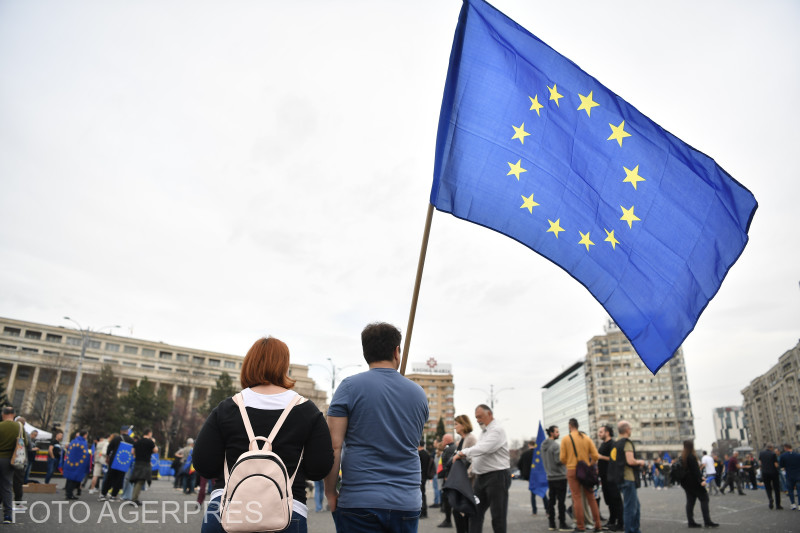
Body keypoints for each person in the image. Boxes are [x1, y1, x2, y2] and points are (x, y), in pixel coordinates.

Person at [195, 336, 334, 533]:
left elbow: (204, 465)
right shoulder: (307, 411)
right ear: (284, 366)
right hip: (287, 512)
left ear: (249, 364)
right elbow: (319, 468)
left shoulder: (226, 408)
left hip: (227, 509)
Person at [324, 322, 428, 532]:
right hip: (406, 501)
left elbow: (334, 446)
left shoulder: (349, 387)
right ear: (396, 351)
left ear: (366, 352)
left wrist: (330, 492)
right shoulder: (419, 394)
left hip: (359, 500)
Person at [454, 404, 511, 533]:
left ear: (489, 414)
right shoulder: (484, 432)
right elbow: (478, 454)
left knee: (498, 517)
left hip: (497, 477)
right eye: (476, 417)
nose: (478, 420)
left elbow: (484, 448)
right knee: (475, 512)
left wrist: (462, 453)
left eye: (480, 417)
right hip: (481, 478)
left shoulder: (497, 430)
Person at [559, 418, 601, 533]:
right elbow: (596, 456)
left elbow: (562, 458)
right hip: (586, 471)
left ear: (569, 426)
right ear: (578, 426)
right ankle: (598, 525)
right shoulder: (586, 438)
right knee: (591, 498)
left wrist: (570, 463)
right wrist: (589, 464)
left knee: (577, 498)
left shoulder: (565, 439)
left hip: (572, 470)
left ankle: (580, 526)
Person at [679, 440, 719, 528]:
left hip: (686, 483)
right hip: (694, 482)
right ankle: (707, 521)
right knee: (704, 499)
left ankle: (691, 522)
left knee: (690, 502)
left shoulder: (682, 457)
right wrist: (701, 480)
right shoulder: (691, 456)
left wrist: (700, 478)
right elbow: (695, 471)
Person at [615, 420, 643, 533]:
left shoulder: (616, 443)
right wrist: (640, 462)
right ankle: (630, 530)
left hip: (620, 478)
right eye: (630, 429)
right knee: (630, 508)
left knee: (635, 506)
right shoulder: (626, 443)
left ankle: (635, 529)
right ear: (627, 430)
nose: (631, 431)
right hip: (628, 478)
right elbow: (630, 461)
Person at [0, 406, 27, 524]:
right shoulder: (19, 427)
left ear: (3, 414)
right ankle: (8, 516)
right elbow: (25, 443)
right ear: (14, 414)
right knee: (7, 487)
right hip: (11, 460)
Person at [452, 414, 477, 533]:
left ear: (464, 424)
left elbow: (475, 460)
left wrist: (466, 476)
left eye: (456, 424)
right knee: (458, 512)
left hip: (467, 484)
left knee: (462, 513)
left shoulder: (470, 438)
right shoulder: (462, 440)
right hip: (461, 483)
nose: (454, 427)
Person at [541, 425, 569, 532]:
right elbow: (559, 460)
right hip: (560, 476)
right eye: (557, 432)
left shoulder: (543, 445)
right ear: (552, 433)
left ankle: (551, 523)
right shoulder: (556, 446)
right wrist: (566, 458)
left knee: (551, 501)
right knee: (561, 502)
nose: (559, 433)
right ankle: (562, 523)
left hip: (550, 477)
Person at [597, 424, 623, 531]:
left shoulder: (613, 444)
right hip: (604, 477)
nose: (599, 434)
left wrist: (600, 457)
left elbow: (614, 459)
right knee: (609, 500)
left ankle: (621, 523)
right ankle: (612, 520)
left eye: (601, 432)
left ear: (607, 432)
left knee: (616, 500)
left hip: (611, 476)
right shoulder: (603, 444)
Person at [98, 428, 134, 501]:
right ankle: (113, 496)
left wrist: (108, 456)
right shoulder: (131, 440)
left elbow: (109, 448)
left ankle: (103, 494)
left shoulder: (116, 438)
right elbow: (133, 451)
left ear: (121, 431)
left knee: (109, 477)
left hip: (114, 460)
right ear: (127, 431)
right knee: (119, 478)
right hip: (124, 462)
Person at [518, 439, 549, 516]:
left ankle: (534, 511)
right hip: (539, 475)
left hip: (530, 476)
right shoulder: (538, 454)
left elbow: (519, 464)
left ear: (529, 445)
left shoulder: (525, 454)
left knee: (533, 493)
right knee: (542, 492)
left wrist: (524, 472)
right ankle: (547, 510)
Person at [130, 428, 157, 506]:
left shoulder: (137, 442)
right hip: (145, 463)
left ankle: (134, 498)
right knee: (140, 481)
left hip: (137, 462)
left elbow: (132, 452)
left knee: (136, 480)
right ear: (149, 433)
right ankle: (134, 499)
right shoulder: (150, 442)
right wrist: (154, 443)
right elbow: (155, 450)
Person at [63, 430, 91, 500]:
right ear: (84, 435)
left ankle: (68, 493)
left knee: (69, 479)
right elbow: (85, 454)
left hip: (70, 463)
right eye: (86, 435)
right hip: (78, 465)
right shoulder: (83, 443)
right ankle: (69, 494)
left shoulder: (73, 441)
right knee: (75, 480)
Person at [437, 434, 456, 528]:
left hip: (448, 478)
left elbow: (448, 463)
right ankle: (448, 520)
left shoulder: (449, 449)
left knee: (447, 499)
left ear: (447, 440)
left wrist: (446, 475)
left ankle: (448, 520)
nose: (442, 441)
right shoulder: (453, 447)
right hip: (450, 477)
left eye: (443, 440)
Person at [759, 443, 781, 509]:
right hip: (773, 472)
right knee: (776, 488)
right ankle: (778, 504)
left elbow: (760, 462)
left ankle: (770, 498)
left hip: (765, 472)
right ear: (771, 448)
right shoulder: (773, 454)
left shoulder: (761, 453)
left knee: (768, 488)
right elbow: (776, 464)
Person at [778, 443, 800, 510]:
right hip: (798, 475)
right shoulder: (798, 455)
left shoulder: (783, 456)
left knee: (790, 490)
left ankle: (793, 504)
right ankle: (799, 505)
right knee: (799, 491)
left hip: (789, 475)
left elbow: (781, 466)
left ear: (785, 448)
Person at [419, 440, 432, 519]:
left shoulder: (419, 454)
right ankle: (425, 511)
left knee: (421, 494)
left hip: (420, 476)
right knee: (423, 493)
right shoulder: (427, 453)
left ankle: (422, 511)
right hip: (425, 476)